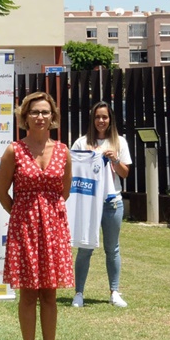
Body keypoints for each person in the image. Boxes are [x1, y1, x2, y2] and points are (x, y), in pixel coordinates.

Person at [0, 91, 72, 340]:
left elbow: (64, 191)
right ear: (24, 117)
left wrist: (46, 213)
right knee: (28, 295)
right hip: (24, 228)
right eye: (34, 112)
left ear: (53, 117)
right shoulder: (13, 151)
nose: (40, 117)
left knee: (50, 295)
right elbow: (1, 192)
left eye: (45, 112)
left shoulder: (63, 151)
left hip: (53, 228)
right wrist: (21, 215)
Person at [70, 101, 131, 308]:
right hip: (88, 202)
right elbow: (72, 171)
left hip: (112, 202)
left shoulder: (119, 142)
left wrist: (115, 160)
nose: (101, 121)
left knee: (112, 248)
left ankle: (114, 291)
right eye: (97, 117)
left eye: (105, 117)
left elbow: (125, 173)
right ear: (92, 119)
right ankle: (79, 293)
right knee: (85, 247)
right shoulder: (81, 143)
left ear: (110, 119)